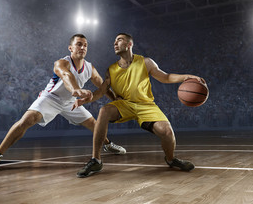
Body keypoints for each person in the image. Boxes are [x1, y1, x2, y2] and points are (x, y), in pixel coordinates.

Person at [0, 34, 126, 175]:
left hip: (70, 103)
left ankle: (107, 145)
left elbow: (103, 86)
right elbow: (67, 76)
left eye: (85, 45)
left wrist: (115, 99)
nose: (83, 48)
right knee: (26, 120)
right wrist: (76, 90)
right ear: (70, 48)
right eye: (79, 44)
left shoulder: (89, 68)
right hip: (51, 98)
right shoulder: (61, 63)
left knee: (94, 124)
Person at [73, 33, 205, 178]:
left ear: (129, 45)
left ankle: (171, 159)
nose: (115, 43)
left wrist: (186, 77)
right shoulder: (111, 70)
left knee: (167, 132)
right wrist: (87, 99)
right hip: (125, 104)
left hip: (146, 105)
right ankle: (96, 160)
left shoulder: (146, 62)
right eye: (115, 41)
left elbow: (165, 77)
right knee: (104, 110)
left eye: (119, 40)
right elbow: (101, 91)